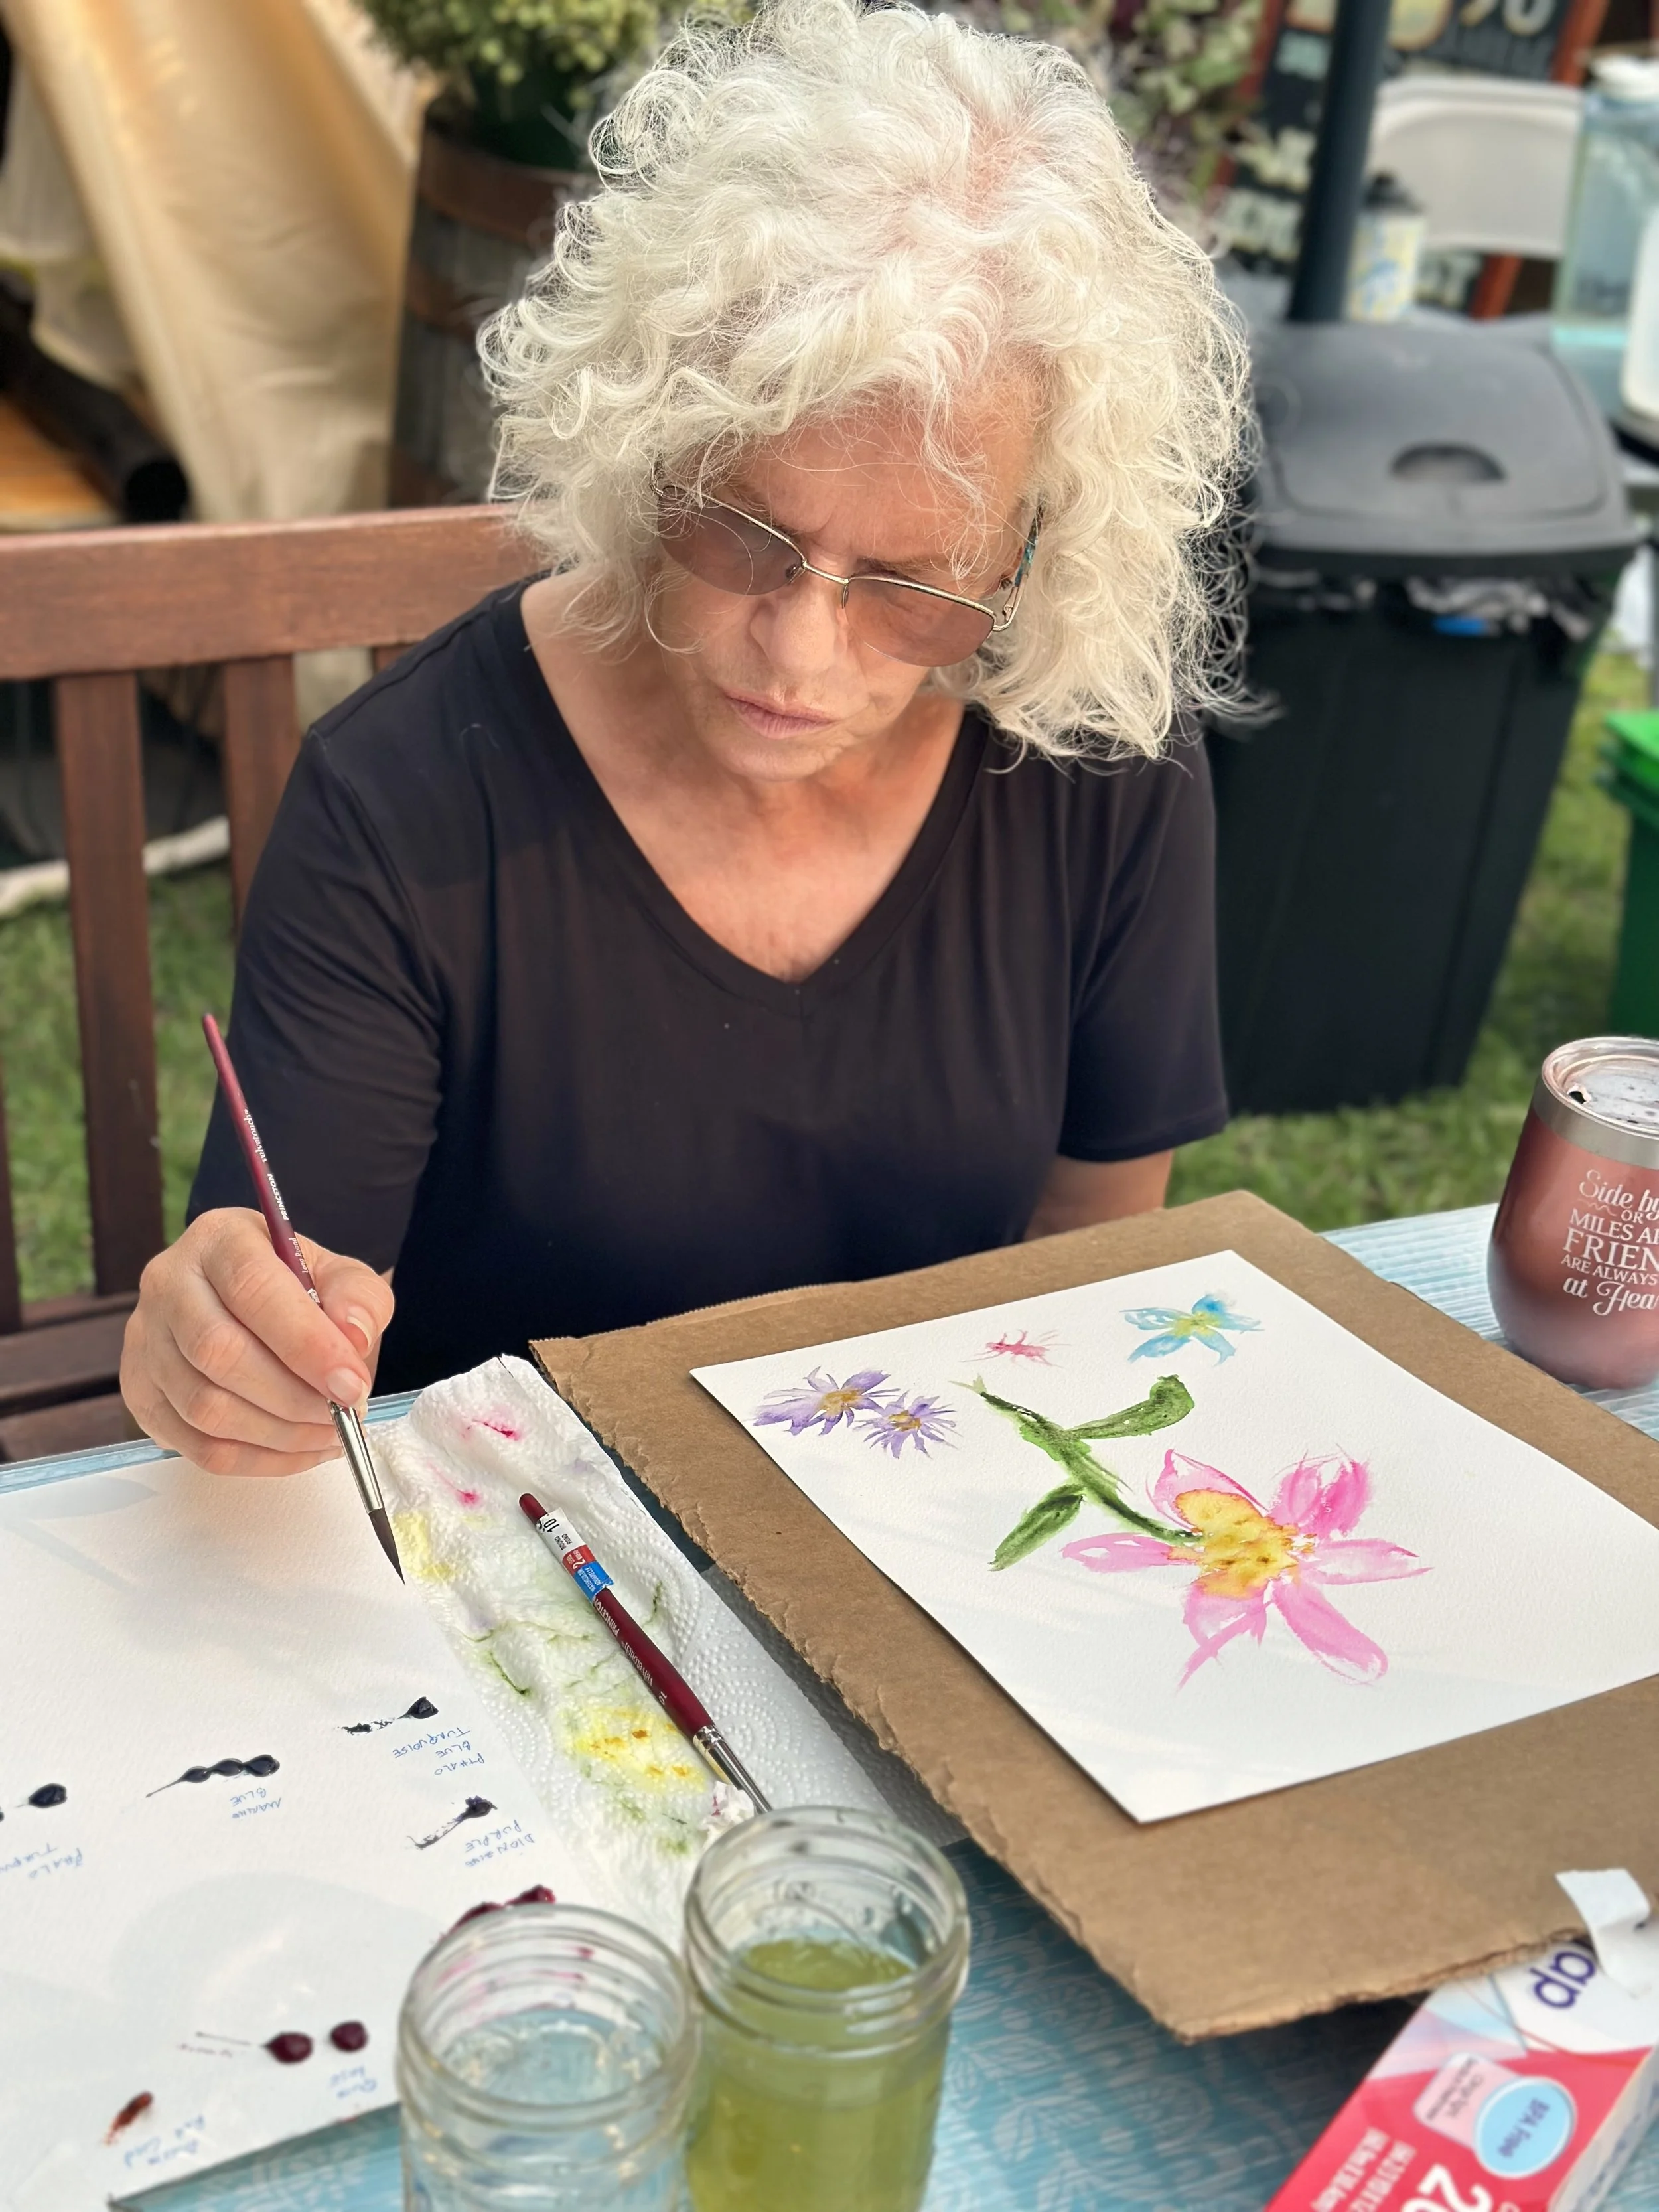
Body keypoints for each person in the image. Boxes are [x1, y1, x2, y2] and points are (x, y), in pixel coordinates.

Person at [119, 0, 1248, 1478]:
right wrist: (225, 1354)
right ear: (650, 435)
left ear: (1036, 553)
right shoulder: (401, 803)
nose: (799, 648)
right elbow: (286, 1320)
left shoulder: (1095, 770)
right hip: (530, 1541)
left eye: (913, 591)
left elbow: (1088, 1277)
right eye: (743, 530)